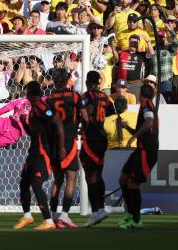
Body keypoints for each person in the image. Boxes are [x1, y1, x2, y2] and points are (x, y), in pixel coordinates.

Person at [13, 81, 65, 231]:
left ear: (30, 93)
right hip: (33, 152)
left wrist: (60, 148)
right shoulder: (33, 110)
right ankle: (28, 216)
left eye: (26, 91)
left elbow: (58, 123)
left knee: (36, 183)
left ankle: (48, 221)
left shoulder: (42, 107)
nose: (24, 94)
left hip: (43, 152)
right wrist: (24, 124)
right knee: (24, 183)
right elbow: (33, 133)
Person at [46, 68, 88, 229]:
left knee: (57, 179)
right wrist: (82, 129)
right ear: (67, 80)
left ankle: (52, 216)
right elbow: (84, 116)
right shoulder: (75, 96)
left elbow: (48, 120)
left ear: (55, 81)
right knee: (71, 178)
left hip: (54, 143)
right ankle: (64, 216)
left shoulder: (49, 99)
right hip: (69, 143)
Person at [118, 84, 158, 230]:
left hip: (147, 151)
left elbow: (149, 122)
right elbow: (145, 127)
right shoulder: (146, 105)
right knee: (123, 179)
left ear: (141, 94)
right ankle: (130, 216)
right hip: (141, 149)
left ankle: (136, 219)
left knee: (132, 184)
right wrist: (128, 128)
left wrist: (132, 137)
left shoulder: (146, 105)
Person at [80, 71, 109, 227]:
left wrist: (83, 126)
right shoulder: (104, 96)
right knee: (98, 174)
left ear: (86, 82)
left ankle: (96, 212)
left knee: (90, 176)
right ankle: (101, 208)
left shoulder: (85, 97)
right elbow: (112, 110)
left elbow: (86, 113)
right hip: (102, 139)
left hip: (90, 139)